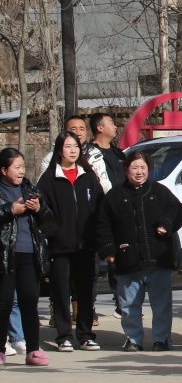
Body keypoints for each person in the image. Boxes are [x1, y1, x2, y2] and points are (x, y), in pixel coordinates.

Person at [96, 151, 182, 352]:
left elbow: (177, 211)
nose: (139, 172)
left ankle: (161, 339)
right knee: (129, 306)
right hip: (127, 260)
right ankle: (133, 339)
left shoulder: (160, 192)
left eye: (143, 168)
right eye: (135, 168)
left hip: (159, 258)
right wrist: (108, 249)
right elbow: (103, 225)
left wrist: (167, 224)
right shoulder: (114, 196)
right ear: (126, 170)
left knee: (161, 305)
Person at [36, 132, 104, 352]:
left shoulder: (88, 176)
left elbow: (99, 207)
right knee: (61, 292)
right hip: (60, 247)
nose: (73, 150)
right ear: (59, 150)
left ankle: (85, 335)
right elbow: (42, 213)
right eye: (68, 146)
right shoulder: (48, 179)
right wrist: (55, 232)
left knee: (85, 292)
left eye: (76, 146)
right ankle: (64, 335)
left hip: (86, 245)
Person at [0, 148, 52, 367]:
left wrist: (39, 209)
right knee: (3, 304)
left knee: (29, 301)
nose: (21, 171)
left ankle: (33, 349)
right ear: (3, 170)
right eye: (16, 167)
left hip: (30, 253)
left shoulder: (29, 188)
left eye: (23, 166)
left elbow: (48, 220)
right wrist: (9, 210)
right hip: (5, 256)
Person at [90, 112, 126, 318]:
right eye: (111, 122)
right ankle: (88, 307)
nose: (115, 125)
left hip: (118, 213)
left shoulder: (119, 154)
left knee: (118, 261)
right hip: (96, 214)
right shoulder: (89, 154)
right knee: (92, 266)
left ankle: (122, 304)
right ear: (100, 128)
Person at [39, 116, 111, 193]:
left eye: (81, 129)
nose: (78, 133)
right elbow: (43, 189)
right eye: (74, 129)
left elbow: (107, 187)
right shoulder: (50, 158)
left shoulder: (95, 155)